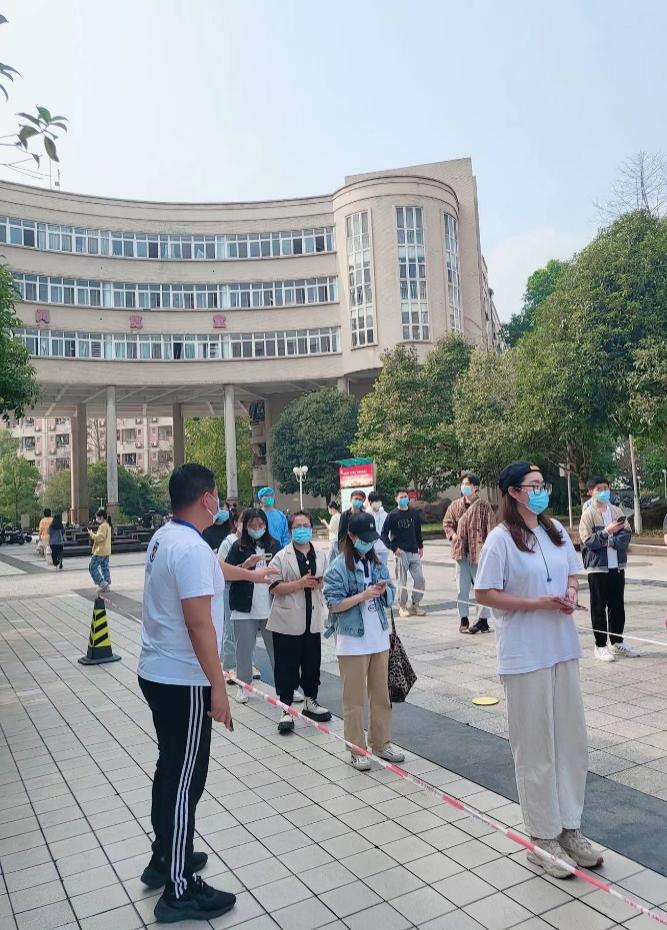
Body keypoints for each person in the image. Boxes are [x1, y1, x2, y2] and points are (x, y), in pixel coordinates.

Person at [475, 461, 602, 879]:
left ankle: (570, 828)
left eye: (542, 483)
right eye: (533, 485)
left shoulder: (556, 530)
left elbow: (572, 576)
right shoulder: (501, 539)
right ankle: (542, 837)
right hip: (524, 655)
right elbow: (485, 593)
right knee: (535, 748)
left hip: (562, 649)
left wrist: (569, 593)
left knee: (570, 742)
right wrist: (536, 604)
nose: (541, 490)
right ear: (513, 492)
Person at [137, 463, 237, 923]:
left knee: (170, 768)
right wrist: (218, 687)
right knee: (185, 780)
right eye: (217, 494)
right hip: (184, 680)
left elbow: (210, 572)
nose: (220, 502)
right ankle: (178, 888)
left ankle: (165, 856)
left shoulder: (167, 537)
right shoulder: (192, 548)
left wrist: (251, 577)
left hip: (158, 672)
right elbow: (200, 626)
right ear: (206, 499)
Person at [324, 511, 405, 770]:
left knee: (381, 696)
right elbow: (333, 604)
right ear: (351, 536)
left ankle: (381, 743)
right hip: (352, 641)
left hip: (378, 639)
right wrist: (363, 595)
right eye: (364, 538)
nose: (369, 543)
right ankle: (357, 749)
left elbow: (390, 595)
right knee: (354, 700)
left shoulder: (378, 563)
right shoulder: (338, 566)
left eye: (372, 539)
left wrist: (384, 591)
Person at [268, 511, 331, 733]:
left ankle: (310, 701)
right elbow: (274, 587)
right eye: (298, 526)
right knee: (287, 666)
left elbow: (327, 579)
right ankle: (285, 709)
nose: (302, 529)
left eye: (306, 525)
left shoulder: (320, 555)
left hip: (312, 619)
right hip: (287, 621)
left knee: (312, 664)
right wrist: (300, 583)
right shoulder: (281, 556)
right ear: (290, 530)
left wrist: (320, 583)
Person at [224, 508, 279, 705]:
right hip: (244, 608)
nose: (257, 529)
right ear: (245, 527)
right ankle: (243, 685)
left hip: (270, 607)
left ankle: (285, 687)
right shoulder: (238, 547)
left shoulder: (274, 545)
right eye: (252, 525)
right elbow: (226, 575)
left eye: (260, 525)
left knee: (278, 650)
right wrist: (245, 566)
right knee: (244, 651)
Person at [579, 476, 637, 661]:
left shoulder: (616, 511)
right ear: (590, 492)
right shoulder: (588, 514)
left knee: (617, 606)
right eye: (599, 489)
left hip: (617, 566)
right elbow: (588, 541)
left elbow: (626, 536)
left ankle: (617, 641)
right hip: (598, 568)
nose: (604, 492)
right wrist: (607, 531)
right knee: (598, 607)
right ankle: (600, 645)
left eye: (606, 488)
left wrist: (608, 540)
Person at [443, 473, 496, 634]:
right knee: (462, 588)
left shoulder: (484, 506)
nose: (464, 487)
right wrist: (453, 536)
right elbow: (447, 523)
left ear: (475, 487)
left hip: (479, 554)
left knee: (482, 587)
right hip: (461, 553)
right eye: (463, 484)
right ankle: (464, 618)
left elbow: (491, 528)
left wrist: (488, 549)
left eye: (467, 484)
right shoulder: (455, 505)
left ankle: (483, 620)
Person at [381, 489, 425, 617]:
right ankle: (402, 605)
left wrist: (420, 546)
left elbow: (418, 531)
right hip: (401, 552)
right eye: (401, 497)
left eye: (406, 496)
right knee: (402, 581)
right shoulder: (392, 515)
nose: (404, 499)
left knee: (420, 579)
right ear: (396, 499)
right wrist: (393, 548)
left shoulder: (414, 513)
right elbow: (383, 534)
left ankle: (415, 604)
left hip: (414, 551)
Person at [88, 509, 112, 593]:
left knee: (92, 567)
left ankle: (102, 583)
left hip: (100, 551)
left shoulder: (103, 526)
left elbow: (99, 538)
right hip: (106, 551)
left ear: (101, 517)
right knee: (104, 568)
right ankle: (107, 583)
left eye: (97, 517)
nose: (96, 519)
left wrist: (92, 534)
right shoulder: (108, 525)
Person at [367, 491, 389, 570]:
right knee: (372, 570)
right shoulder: (366, 515)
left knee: (383, 570)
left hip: (383, 548)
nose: (378, 503)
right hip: (371, 549)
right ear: (370, 502)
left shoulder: (385, 515)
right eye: (375, 501)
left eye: (379, 500)